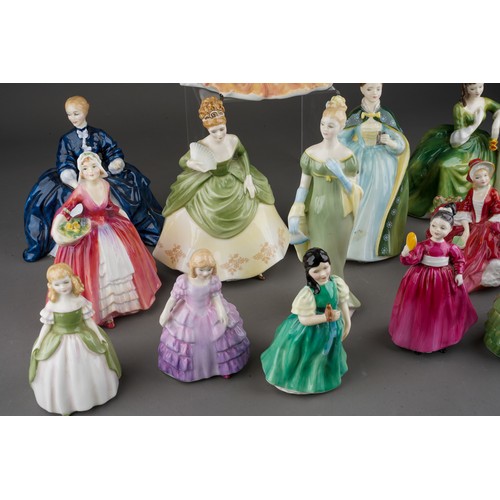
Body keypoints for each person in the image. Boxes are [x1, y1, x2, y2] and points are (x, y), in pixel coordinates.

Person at [153, 96, 288, 281]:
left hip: (234, 176)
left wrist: (248, 177)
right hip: (209, 181)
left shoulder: (233, 140)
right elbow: (183, 161)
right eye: (214, 131)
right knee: (190, 209)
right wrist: (193, 163)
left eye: (221, 129)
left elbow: (242, 154)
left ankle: (255, 264)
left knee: (258, 200)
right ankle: (200, 263)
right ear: (207, 129)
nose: (219, 135)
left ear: (226, 124)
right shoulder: (203, 144)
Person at [23, 95, 164, 262]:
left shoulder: (98, 134)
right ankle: (74, 239)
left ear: (85, 111)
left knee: (129, 184)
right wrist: (72, 179)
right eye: (69, 114)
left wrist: (115, 162)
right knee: (48, 194)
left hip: (99, 172)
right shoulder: (67, 139)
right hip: (79, 176)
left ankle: (124, 231)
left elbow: (112, 150)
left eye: (76, 113)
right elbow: (64, 160)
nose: (72, 118)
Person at [51, 152, 161, 328]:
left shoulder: (105, 184)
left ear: (99, 167)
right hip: (90, 230)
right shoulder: (81, 190)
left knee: (120, 263)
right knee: (98, 270)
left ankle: (123, 306)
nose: (90, 171)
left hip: (109, 227)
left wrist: (122, 214)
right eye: (85, 169)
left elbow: (109, 205)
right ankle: (104, 313)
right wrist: (58, 225)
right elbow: (66, 208)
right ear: (81, 172)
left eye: (93, 166)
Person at [288, 95, 362, 307]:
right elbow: (303, 186)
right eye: (323, 124)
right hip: (317, 210)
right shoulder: (311, 153)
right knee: (320, 253)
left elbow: (356, 190)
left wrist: (340, 175)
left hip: (340, 213)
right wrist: (296, 210)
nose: (325, 129)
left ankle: (340, 296)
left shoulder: (348, 156)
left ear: (341, 127)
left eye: (331, 125)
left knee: (336, 257)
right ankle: (321, 295)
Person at [29, 263, 121, 415]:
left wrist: (99, 336)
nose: (63, 287)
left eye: (65, 282)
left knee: (91, 363)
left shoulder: (79, 301)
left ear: (72, 280)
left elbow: (88, 321)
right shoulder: (52, 306)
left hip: (82, 336)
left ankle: (94, 393)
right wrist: (39, 342)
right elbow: (46, 326)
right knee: (58, 369)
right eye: (57, 284)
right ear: (51, 286)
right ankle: (64, 401)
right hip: (58, 340)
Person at [261, 247, 351, 394]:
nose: (323, 274)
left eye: (325, 268)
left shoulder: (336, 282)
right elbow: (304, 319)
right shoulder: (308, 293)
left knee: (327, 354)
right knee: (310, 356)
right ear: (308, 272)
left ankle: (325, 375)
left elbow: (343, 302)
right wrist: (325, 317)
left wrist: (347, 323)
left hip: (332, 327)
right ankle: (307, 380)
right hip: (311, 331)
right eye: (316, 271)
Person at [389, 204, 477, 353]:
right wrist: (406, 252)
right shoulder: (422, 246)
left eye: (442, 227)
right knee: (419, 308)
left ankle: (442, 338)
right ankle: (416, 337)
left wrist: (459, 273)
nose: (437, 230)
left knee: (441, 309)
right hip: (421, 278)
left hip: (442, 280)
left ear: (450, 229)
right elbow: (410, 260)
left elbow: (459, 260)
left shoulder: (451, 248)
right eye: (434, 226)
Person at [407, 83, 500, 217]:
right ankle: (442, 205)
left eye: (480, 86)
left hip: (479, 144)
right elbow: (456, 141)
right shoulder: (460, 108)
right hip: (462, 142)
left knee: (449, 166)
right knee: (443, 165)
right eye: (473, 88)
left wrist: (496, 126)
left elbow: (498, 110)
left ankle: (463, 205)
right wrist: (475, 124)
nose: (478, 91)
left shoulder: (485, 102)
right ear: (465, 88)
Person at [158, 249, 250, 382]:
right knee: (188, 342)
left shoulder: (212, 280)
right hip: (189, 315)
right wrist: (165, 312)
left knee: (220, 338)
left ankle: (223, 368)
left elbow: (215, 296)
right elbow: (173, 298)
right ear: (193, 268)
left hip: (209, 312)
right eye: (201, 270)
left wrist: (221, 311)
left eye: (209, 269)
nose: (206, 273)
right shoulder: (184, 281)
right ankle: (192, 371)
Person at [340, 83, 410, 261]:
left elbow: (401, 145)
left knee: (378, 198)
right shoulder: (356, 115)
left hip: (381, 164)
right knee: (357, 198)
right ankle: (353, 246)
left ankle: (373, 245)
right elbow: (342, 139)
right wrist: (352, 149)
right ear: (362, 89)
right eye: (370, 89)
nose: (374, 93)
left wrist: (390, 142)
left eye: (378, 88)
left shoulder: (386, 115)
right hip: (360, 160)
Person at [450, 159, 500, 292]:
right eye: (478, 177)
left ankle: (482, 272)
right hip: (472, 224)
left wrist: (487, 225)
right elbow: (465, 210)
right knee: (456, 243)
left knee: (483, 247)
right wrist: (466, 230)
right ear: (473, 179)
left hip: (487, 226)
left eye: (485, 175)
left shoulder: (493, 193)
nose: (483, 179)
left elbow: (497, 212)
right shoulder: (471, 192)